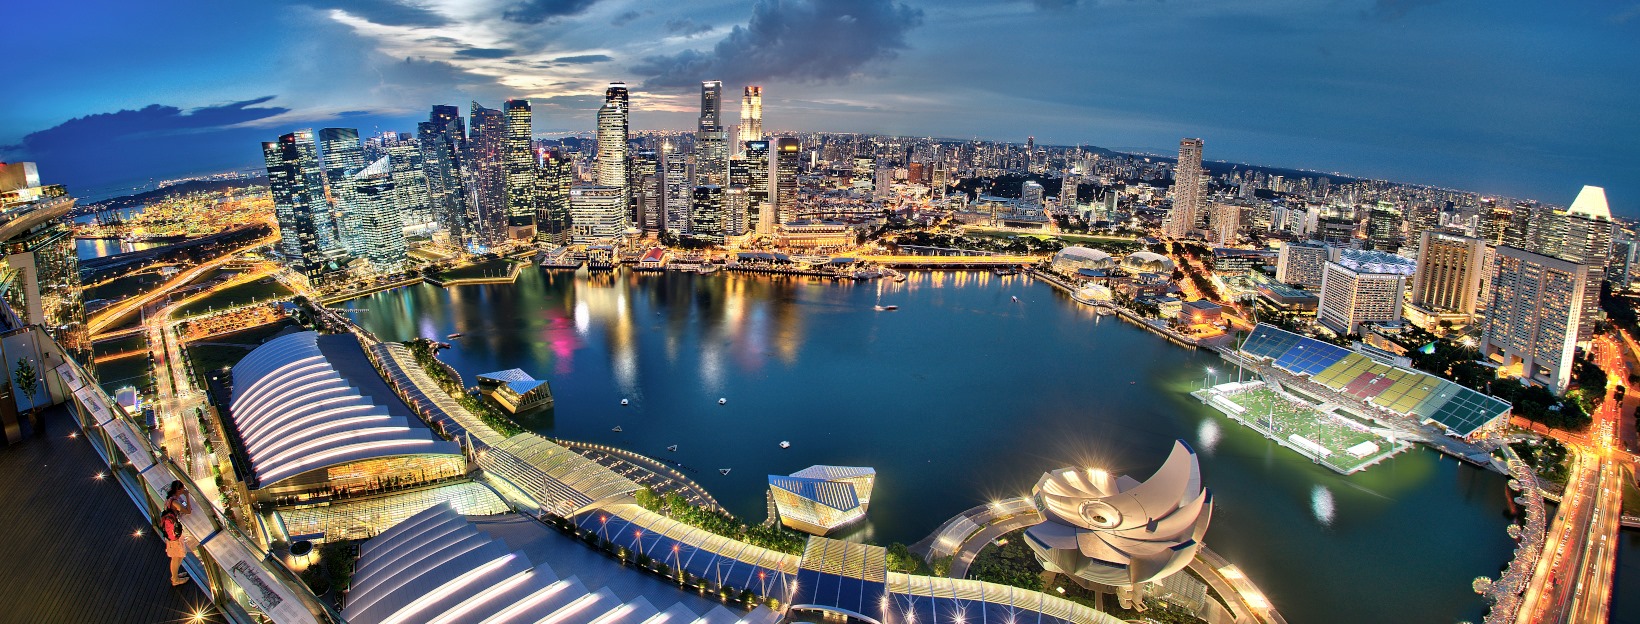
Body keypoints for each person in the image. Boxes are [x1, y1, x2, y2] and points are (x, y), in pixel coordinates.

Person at [159, 508, 189, 586]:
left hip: (171, 538)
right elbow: (188, 511)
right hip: (174, 539)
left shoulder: (168, 506)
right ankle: (175, 580)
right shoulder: (174, 503)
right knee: (176, 558)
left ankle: (175, 575)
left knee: (179, 556)